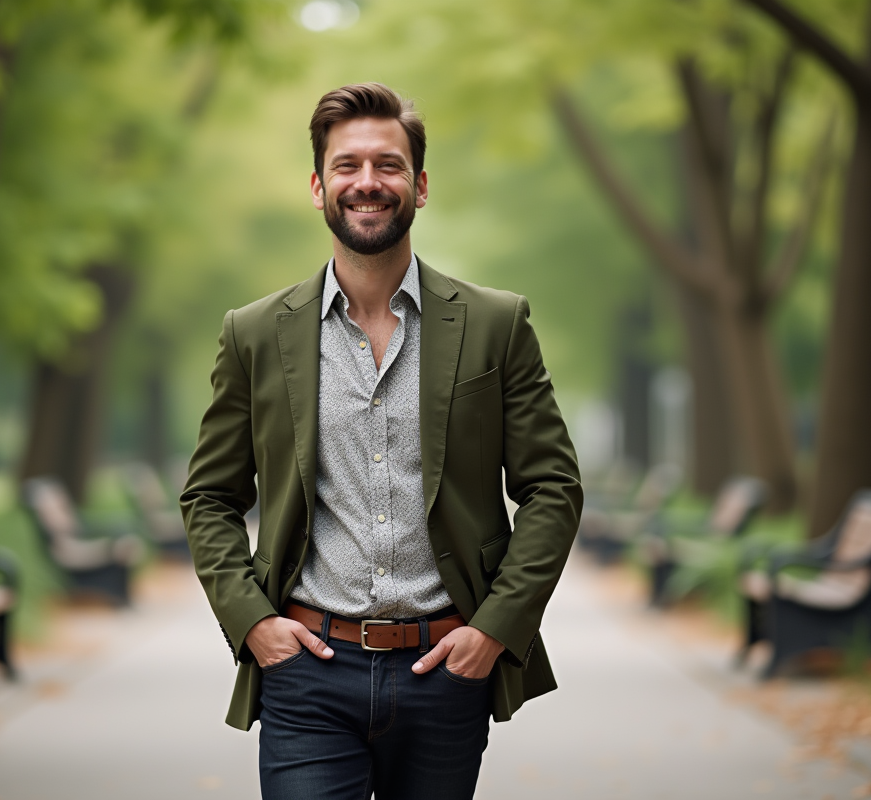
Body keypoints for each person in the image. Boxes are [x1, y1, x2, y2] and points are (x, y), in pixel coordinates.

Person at [180, 82, 582, 800]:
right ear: (318, 185)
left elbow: (553, 487)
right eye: (348, 165)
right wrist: (253, 623)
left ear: (420, 186)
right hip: (306, 675)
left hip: (447, 670)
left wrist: (494, 628)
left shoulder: (496, 325)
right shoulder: (255, 334)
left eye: (388, 165)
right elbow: (210, 496)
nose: (368, 182)